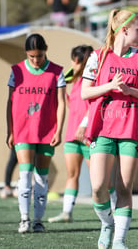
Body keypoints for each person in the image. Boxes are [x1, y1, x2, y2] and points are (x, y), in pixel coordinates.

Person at [81, 9, 138, 249]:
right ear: (124, 30)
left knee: (125, 187)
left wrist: (131, 91)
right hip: (102, 128)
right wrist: (110, 86)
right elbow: (85, 92)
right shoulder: (98, 57)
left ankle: (120, 241)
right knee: (97, 187)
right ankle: (107, 223)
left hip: (130, 129)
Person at [6, 33, 66, 234]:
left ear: (45, 49)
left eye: (39, 56)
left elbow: (61, 103)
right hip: (23, 130)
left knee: (41, 178)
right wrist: (10, 130)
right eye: (31, 56)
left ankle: (38, 220)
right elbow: (10, 103)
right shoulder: (16, 71)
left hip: (47, 131)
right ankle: (24, 219)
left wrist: (58, 129)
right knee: (25, 176)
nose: (35, 60)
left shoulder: (57, 72)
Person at [48, 45, 94, 223]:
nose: (71, 63)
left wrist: (85, 126)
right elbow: (73, 106)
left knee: (99, 178)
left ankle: (113, 211)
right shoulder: (74, 81)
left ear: (77, 60)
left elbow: (94, 107)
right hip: (72, 136)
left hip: (90, 136)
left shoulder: (93, 81)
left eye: (73, 60)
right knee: (72, 174)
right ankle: (67, 212)